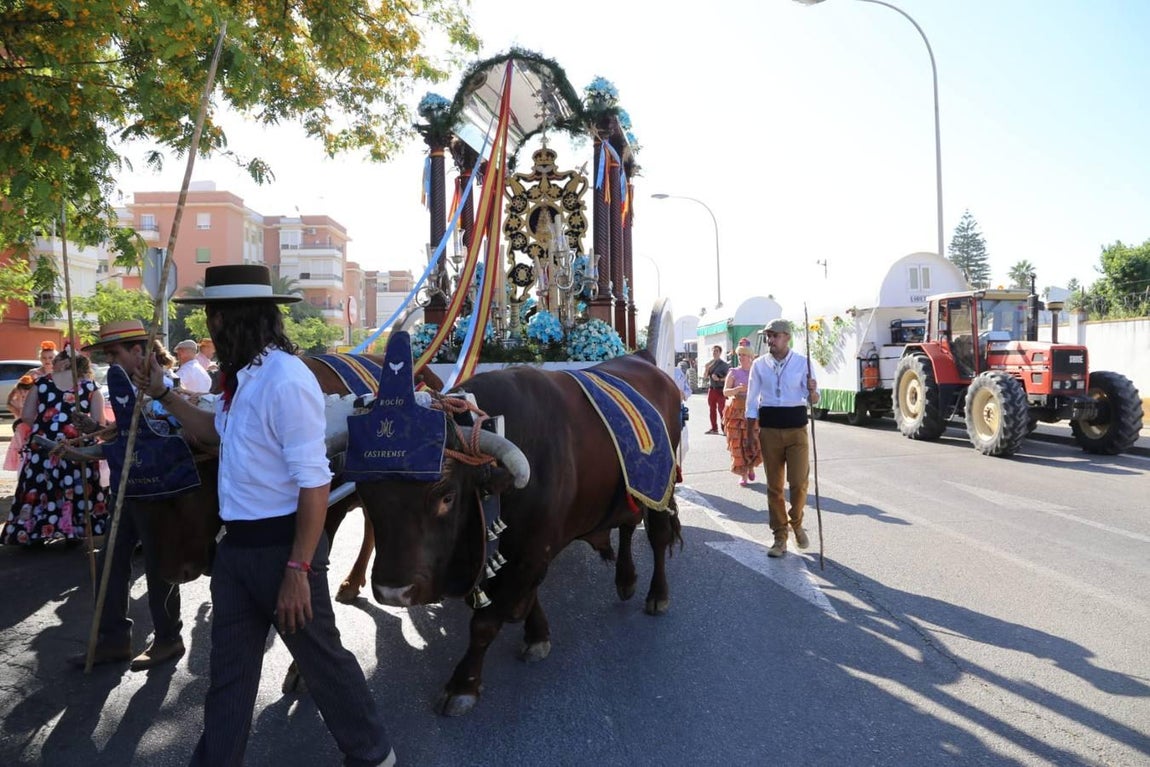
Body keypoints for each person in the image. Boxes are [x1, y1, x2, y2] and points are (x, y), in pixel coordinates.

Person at [145, 265, 394, 767]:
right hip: (236, 550)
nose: (209, 329)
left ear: (235, 319)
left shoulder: (284, 378)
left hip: (284, 551)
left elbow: (315, 479)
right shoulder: (244, 379)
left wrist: (299, 570)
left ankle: (373, 755)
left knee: (322, 662)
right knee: (229, 676)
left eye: (213, 317)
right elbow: (215, 433)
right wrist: (162, 393)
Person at [66, 320, 186, 671]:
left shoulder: (168, 390)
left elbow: (157, 440)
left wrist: (98, 448)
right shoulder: (126, 388)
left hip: (158, 493)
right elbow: (123, 438)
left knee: (158, 567)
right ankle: (113, 641)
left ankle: (169, 639)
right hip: (125, 490)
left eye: (114, 352)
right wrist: (93, 438)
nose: (111, 360)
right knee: (108, 567)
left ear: (138, 351)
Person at [2, 348, 109, 547]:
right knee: (74, 487)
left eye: (56, 360)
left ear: (65, 363)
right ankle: (73, 530)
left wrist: (47, 425)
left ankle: (32, 530)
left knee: (40, 486)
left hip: (44, 444)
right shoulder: (91, 387)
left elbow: (26, 416)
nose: (53, 364)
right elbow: (97, 422)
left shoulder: (42, 384)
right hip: (77, 447)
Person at [744, 319, 820, 558]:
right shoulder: (759, 365)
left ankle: (796, 522)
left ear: (787, 337)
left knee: (799, 483)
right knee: (774, 487)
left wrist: (812, 389)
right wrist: (749, 434)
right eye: (768, 336)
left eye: (774, 336)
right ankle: (780, 536)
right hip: (769, 431)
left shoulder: (802, 363)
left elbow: (815, 399)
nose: (770, 341)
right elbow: (751, 401)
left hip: (797, 429)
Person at [723, 345, 763, 487]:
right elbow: (725, 392)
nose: (741, 358)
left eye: (743, 355)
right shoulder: (733, 372)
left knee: (752, 440)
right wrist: (737, 389)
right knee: (738, 443)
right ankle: (743, 474)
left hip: (752, 410)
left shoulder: (756, 371)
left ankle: (751, 467)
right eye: (739, 355)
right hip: (736, 411)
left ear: (750, 357)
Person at [3, 375, 36, 472]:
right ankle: (21, 467)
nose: (24, 392)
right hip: (21, 428)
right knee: (20, 449)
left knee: (30, 447)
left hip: (30, 427)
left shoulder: (34, 399)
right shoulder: (17, 401)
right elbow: (9, 404)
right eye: (22, 390)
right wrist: (18, 414)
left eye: (27, 390)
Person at [702, 344, 730, 435]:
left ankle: (724, 429)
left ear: (720, 353)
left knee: (721, 410)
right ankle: (714, 428)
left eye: (716, 351)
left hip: (720, 390)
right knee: (712, 410)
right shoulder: (710, 364)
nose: (714, 353)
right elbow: (705, 377)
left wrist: (719, 379)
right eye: (713, 351)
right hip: (712, 389)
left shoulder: (724, 365)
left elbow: (728, 377)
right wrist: (706, 369)